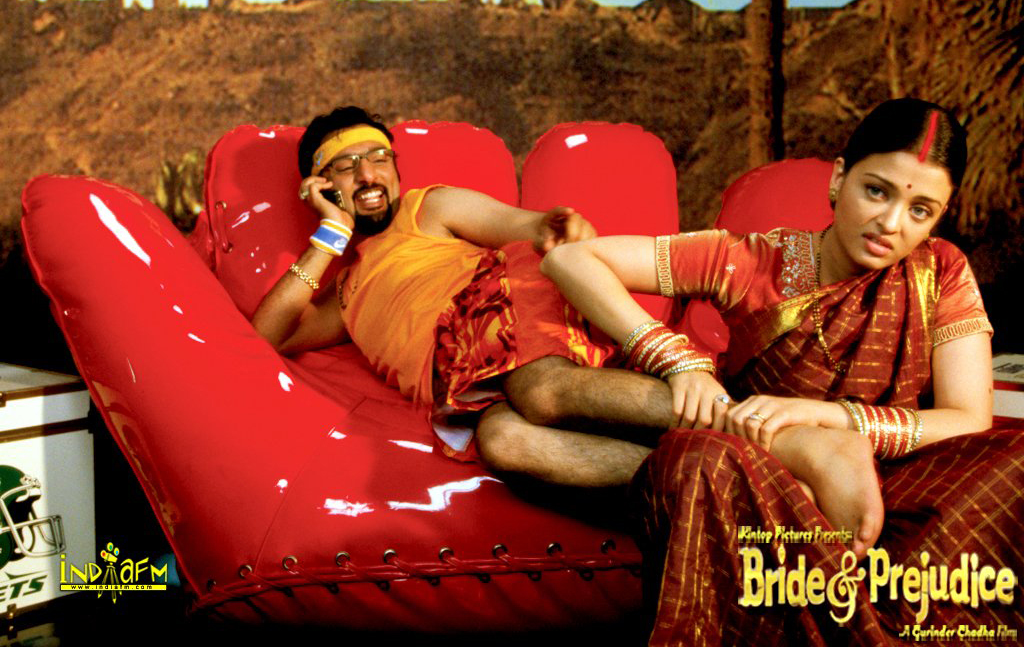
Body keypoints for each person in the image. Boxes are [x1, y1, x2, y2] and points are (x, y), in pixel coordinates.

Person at [541, 98, 1024, 643]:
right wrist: (676, 359)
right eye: (876, 191)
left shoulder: (940, 271)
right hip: (759, 480)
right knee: (697, 461)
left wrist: (833, 421)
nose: (890, 223)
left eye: (920, 211)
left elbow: (967, 418)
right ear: (839, 178)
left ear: (941, 214)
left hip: (894, 485)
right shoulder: (754, 262)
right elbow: (569, 258)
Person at [252, 105, 682, 487]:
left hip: (497, 306)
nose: (368, 175)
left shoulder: (427, 208)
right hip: (465, 380)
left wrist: (552, 228)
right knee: (504, 442)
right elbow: (268, 336)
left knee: (542, 392)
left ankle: (720, 413)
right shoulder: (345, 294)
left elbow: (522, 227)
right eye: (347, 167)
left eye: (379, 159)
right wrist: (330, 232)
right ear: (321, 187)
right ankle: (693, 475)